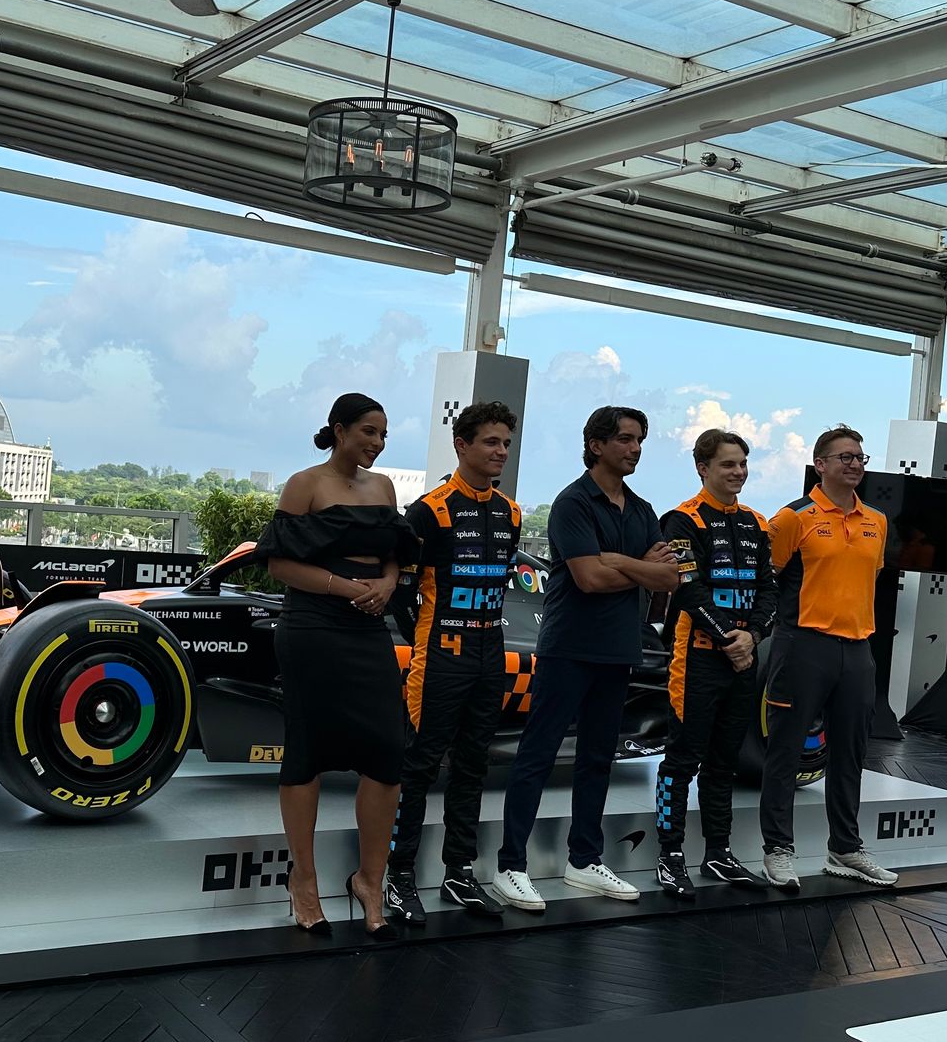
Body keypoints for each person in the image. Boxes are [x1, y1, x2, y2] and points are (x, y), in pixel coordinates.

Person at [490, 406, 682, 911]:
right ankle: (510, 866)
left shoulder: (641, 510)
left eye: (639, 440)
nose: (635, 448)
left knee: (598, 759)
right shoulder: (572, 502)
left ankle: (584, 860)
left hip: (617, 651)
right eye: (625, 439)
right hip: (568, 648)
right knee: (537, 756)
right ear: (596, 445)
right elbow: (589, 579)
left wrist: (618, 560)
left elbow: (670, 578)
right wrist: (636, 566)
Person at [256, 393, 419, 937]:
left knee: (388, 751)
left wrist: (388, 583)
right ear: (340, 430)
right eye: (369, 431)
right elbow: (279, 565)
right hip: (312, 630)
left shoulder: (384, 488)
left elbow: (394, 555)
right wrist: (347, 588)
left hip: (367, 629)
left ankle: (369, 880)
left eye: (384, 434)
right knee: (307, 752)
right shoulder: (304, 484)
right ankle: (303, 880)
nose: (377, 442)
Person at [383, 401, 523, 926]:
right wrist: (427, 633)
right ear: (461, 445)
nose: (500, 452)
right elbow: (400, 590)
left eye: (505, 443)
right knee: (419, 766)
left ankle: (458, 873)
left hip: (491, 654)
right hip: (441, 655)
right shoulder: (429, 511)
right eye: (490, 442)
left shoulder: (510, 513)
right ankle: (398, 876)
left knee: (473, 765)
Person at [758, 425, 896, 892]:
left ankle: (845, 847)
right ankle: (778, 849)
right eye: (844, 457)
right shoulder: (792, 518)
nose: (855, 464)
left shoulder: (876, 520)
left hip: (857, 650)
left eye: (860, 457)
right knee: (785, 751)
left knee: (850, 754)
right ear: (820, 465)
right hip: (803, 646)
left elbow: (866, 579)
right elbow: (767, 580)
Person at [653, 428, 778, 900]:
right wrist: (730, 638)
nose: (738, 472)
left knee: (724, 762)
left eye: (743, 463)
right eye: (728, 464)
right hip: (697, 659)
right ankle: (669, 855)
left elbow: (769, 589)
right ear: (703, 468)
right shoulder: (682, 520)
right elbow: (688, 589)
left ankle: (718, 853)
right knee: (682, 759)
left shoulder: (757, 523)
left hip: (743, 659)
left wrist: (753, 636)